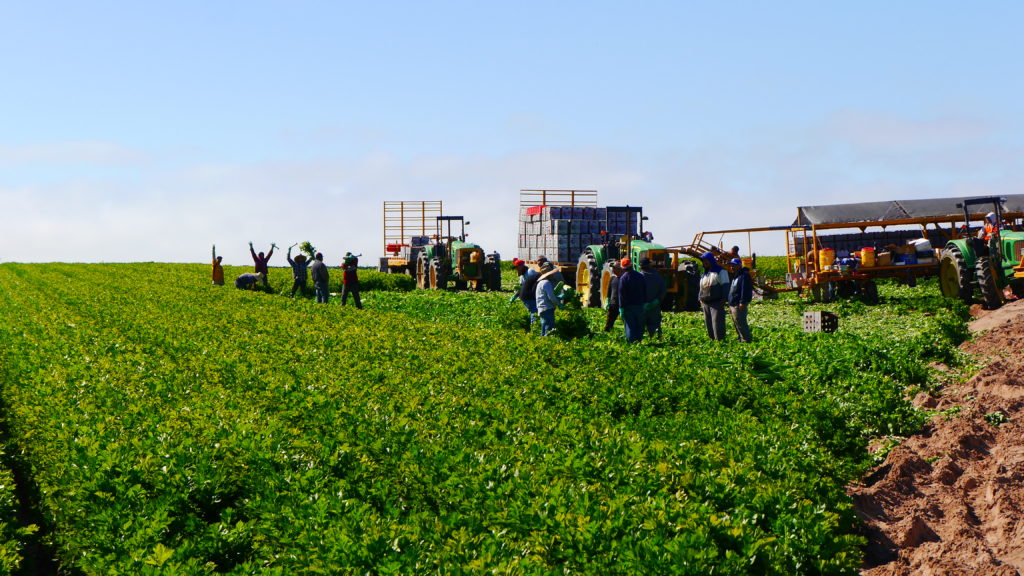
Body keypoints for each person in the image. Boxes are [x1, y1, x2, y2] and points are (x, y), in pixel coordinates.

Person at [699, 252, 730, 341]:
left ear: (711, 260)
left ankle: (719, 341)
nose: (705, 262)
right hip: (706, 303)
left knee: (717, 323)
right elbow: (701, 288)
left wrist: (724, 299)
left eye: (706, 260)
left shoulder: (720, 271)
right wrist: (700, 299)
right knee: (708, 324)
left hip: (716, 302)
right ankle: (712, 341)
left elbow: (725, 285)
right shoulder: (704, 274)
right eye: (703, 261)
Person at [618, 258, 647, 343]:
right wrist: (645, 302)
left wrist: (621, 308)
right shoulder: (640, 276)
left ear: (623, 268)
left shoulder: (623, 278)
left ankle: (632, 343)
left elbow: (621, 294)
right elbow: (645, 290)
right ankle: (639, 341)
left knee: (630, 325)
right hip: (640, 305)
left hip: (628, 306)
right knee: (639, 325)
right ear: (631, 265)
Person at [727, 258, 754, 343]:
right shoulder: (736, 275)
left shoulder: (744, 275)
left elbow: (744, 289)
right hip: (733, 303)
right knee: (736, 322)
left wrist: (742, 302)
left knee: (741, 322)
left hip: (739, 303)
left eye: (734, 265)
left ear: (739, 265)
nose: (732, 267)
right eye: (731, 265)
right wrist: (729, 303)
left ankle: (746, 339)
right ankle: (740, 338)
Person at [509, 259, 540, 331]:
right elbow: (521, 287)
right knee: (534, 312)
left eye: (517, 267)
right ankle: (534, 329)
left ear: (521, 266)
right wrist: (515, 296)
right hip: (527, 296)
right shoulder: (522, 276)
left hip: (531, 296)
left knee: (534, 312)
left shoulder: (530, 272)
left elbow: (535, 284)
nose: (516, 269)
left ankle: (534, 328)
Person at [640, 257, 666, 337]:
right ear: (650, 265)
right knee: (655, 331)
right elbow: (663, 291)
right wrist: (656, 301)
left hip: (641, 308)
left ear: (640, 266)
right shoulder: (658, 277)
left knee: (639, 332)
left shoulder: (638, 277)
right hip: (654, 308)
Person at [535, 262, 561, 336]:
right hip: (547, 308)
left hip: (541, 308)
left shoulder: (540, 283)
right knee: (549, 329)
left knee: (544, 327)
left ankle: (542, 341)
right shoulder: (546, 283)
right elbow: (551, 297)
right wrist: (558, 304)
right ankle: (548, 343)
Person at [603, 262, 622, 332]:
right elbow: (609, 291)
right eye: (613, 268)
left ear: (620, 269)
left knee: (627, 322)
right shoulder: (612, 278)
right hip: (613, 304)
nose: (613, 269)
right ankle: (606, 332)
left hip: (622, 304)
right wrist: (607, 300)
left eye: (614, 268)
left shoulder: (624, 279)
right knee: (609, 322)